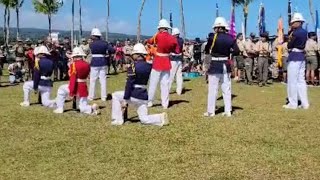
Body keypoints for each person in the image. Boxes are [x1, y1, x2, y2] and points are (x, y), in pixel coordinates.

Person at [111, 43, 169, 126]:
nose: (132, 56)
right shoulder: (150, 66)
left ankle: (117, 120)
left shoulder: (133, 66)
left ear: (138, 55)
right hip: (144, 95)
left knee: (115, 95)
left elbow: (129, 83)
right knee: (144, 119)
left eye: (134, 54)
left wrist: (125, 99)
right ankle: (160, 118)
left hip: (134, 94)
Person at [204, 16, 239, 117]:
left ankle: (211, 111)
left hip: (215, 64)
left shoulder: (212, 37)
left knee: (213, 89)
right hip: (225, 64)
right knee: (226, 88)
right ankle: (228, 111)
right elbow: (236, 51)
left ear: (217, 27)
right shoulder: (230, 38)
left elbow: (207, 50)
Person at [53, 47, 100, 115]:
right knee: (82, 106)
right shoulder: (87, 64)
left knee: (61, 89)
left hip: (76, 86)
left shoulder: (74, 65)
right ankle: (92, 108)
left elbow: (73, 79)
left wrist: (71, 91)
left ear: (75, 56)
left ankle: (60, 108)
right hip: (83, 86)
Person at [146, 19, 180, 109]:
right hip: (166, 61)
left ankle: (149, 102)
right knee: (165, 84)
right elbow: (177, 50)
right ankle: (165, 104)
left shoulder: (158, 35)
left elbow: (149, 41)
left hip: (158, 61)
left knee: (153, 82)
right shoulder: (172, 38)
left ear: (160, 28)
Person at [283, 13, 309, 110]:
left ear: (298, 22)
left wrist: (290, 35)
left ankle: (293, 103)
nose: (292, 24)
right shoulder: (304, 32)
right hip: (301, 56)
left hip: (294, 56)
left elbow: (290, 45)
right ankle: (304, 103)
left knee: (292, 81)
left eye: (293, 22)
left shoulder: (295, 33)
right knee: (301, 81)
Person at [88, 28, 115, 101]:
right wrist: (108, 54)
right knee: (103, 80)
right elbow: (112, 50)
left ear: (94, 36)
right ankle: (104, 97)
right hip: (103, 61)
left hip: (95, 62)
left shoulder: (91, 44)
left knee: (93, 80)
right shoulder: (105, 43)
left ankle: (91, 96)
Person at [169, 27, 184, 95]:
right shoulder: (181, 40)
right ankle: (179, 91)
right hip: (179, 58)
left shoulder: (172, 40)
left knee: (171, 75)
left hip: (173, 59)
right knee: (179, 76)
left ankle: (168, 89)